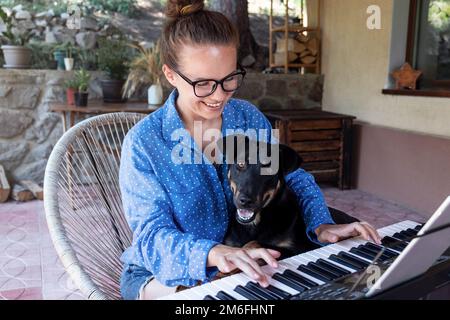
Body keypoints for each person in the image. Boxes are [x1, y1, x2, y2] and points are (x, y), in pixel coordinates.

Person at [119, 0, 382, 300]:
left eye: (229, 78)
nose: (219, 96)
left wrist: (320, 223)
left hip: (244, 256)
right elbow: (151, 237)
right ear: (170, 75)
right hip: (165, 272)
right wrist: (214, 253)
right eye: (203, 83)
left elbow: (294, 178)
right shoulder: (145, 143)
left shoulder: (246, 118)